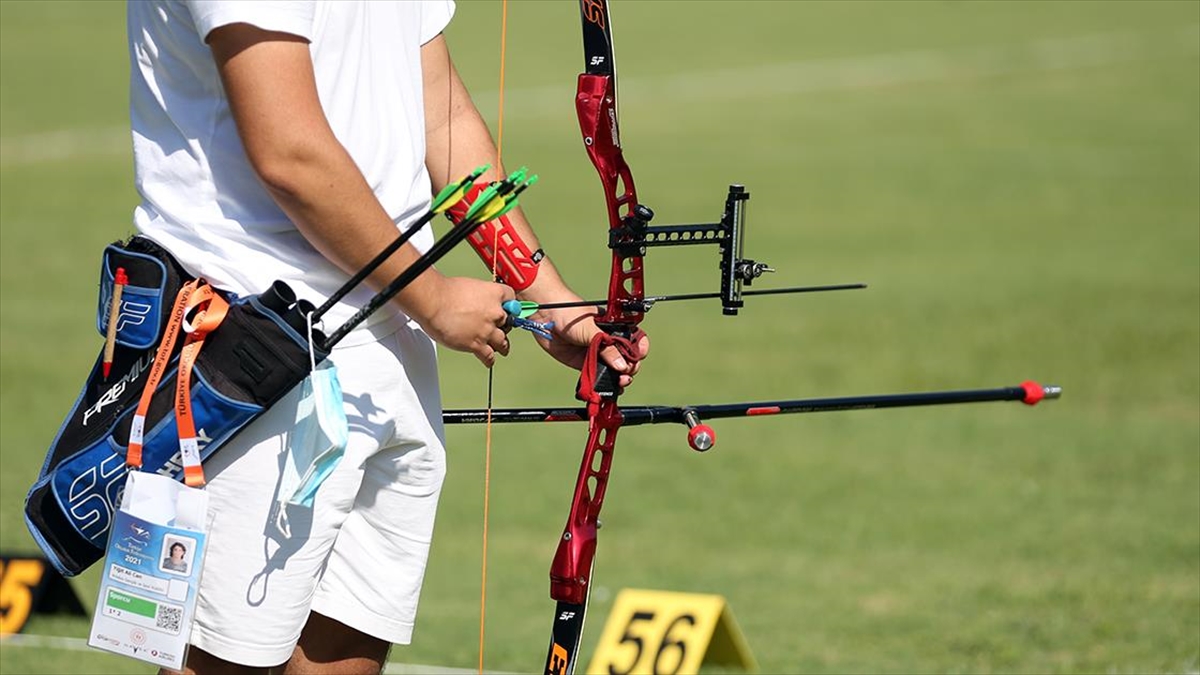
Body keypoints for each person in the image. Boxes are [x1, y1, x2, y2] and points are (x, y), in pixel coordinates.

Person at [125, 2, 650, 673]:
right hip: (245, 349)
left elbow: (443, 119)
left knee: (344, 655)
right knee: (220, 659)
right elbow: (290, 152)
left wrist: (550, 299)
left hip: (389, 347)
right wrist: (431, 298)